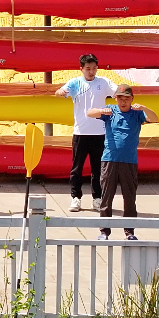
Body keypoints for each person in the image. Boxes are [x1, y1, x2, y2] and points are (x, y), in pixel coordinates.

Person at [88, 86, 157, 240]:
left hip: (129, 161)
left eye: (126, 98)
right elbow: (89, 113)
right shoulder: (111, 111)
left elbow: (154, 118)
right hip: (109, 159)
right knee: (106, 197)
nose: (123, 101)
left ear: (132, 99)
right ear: (116, 99)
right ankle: (104, 231)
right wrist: (101, 110)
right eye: (120, 98)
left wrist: (144, 108)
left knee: (130, 198)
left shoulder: (137, 113)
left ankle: (129, 232)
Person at [55, 54, 118, 212]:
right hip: (81, 132)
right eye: (88, 69)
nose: (91, 72)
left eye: (94, 68)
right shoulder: (75, 83)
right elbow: (60, 91)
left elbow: (118, 91)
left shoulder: (103, 82)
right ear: (81, 69)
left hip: (99, 133)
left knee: (98, 169)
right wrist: (60, 92)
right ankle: (75, 198)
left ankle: (97, 198)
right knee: (77, 168)